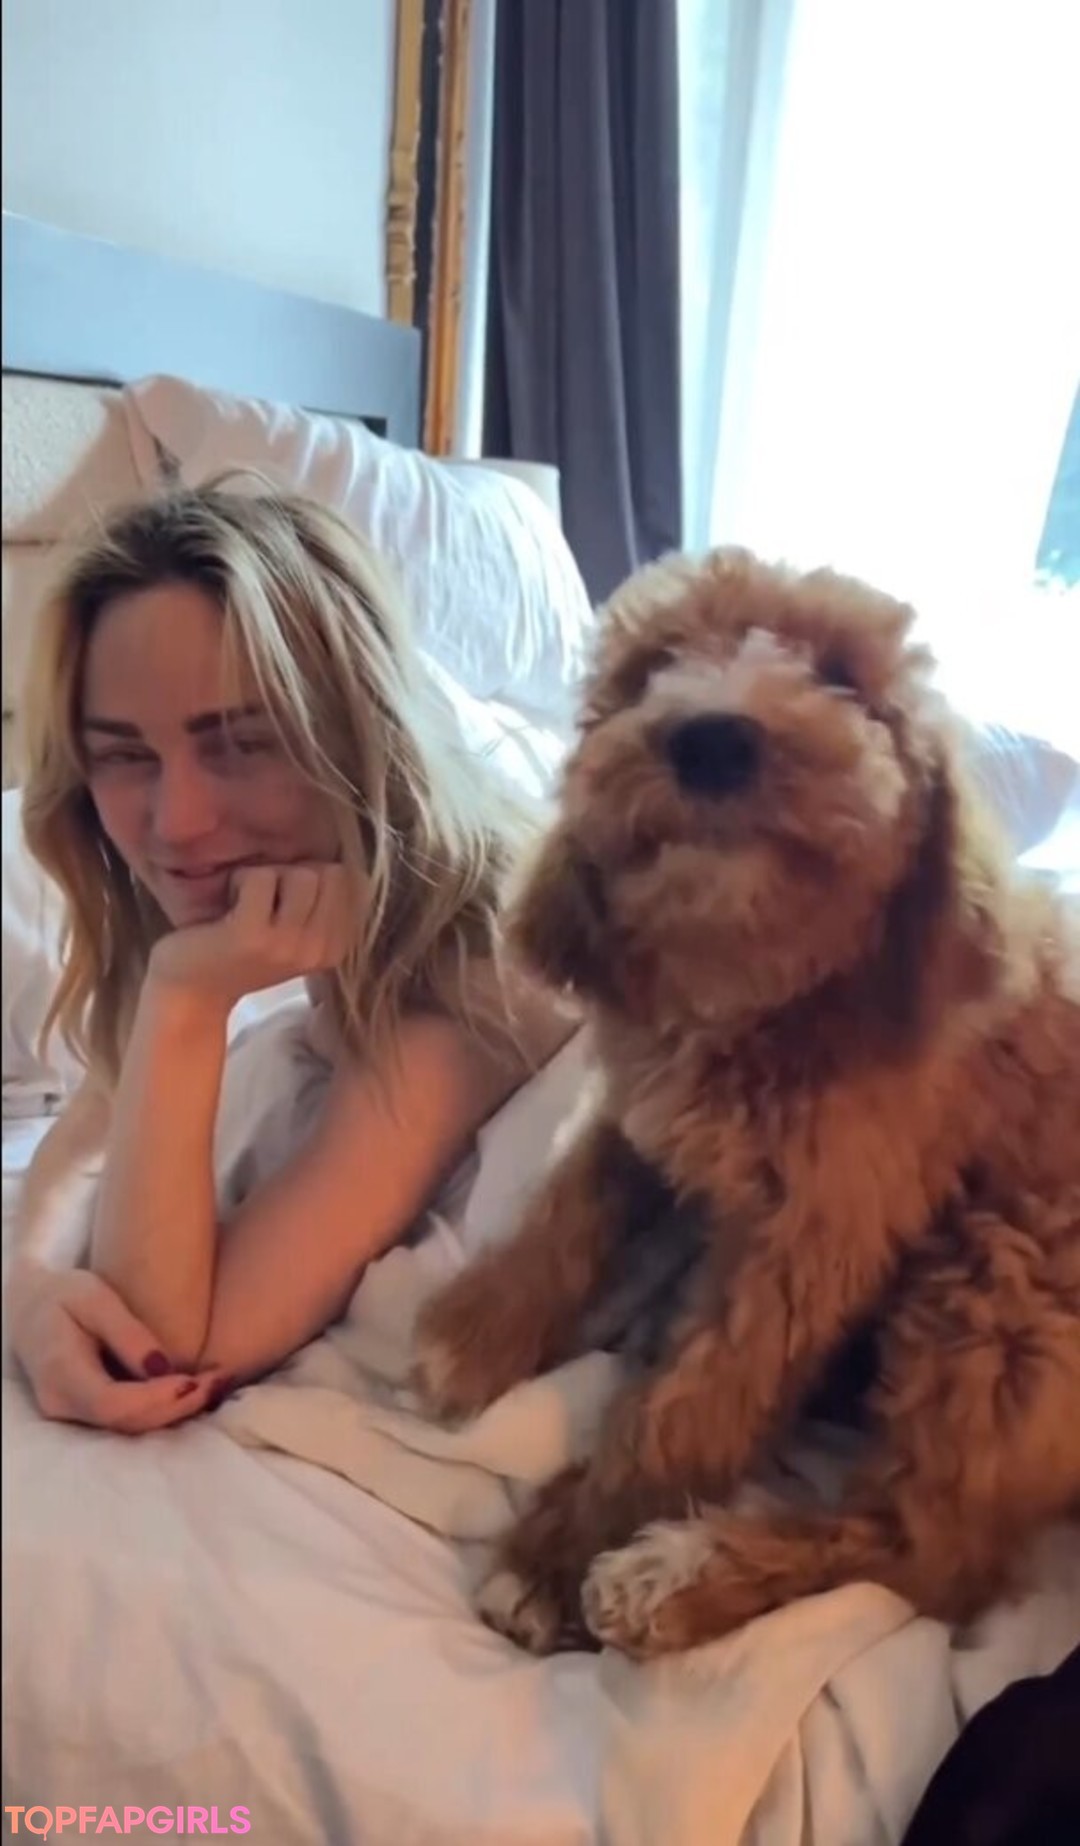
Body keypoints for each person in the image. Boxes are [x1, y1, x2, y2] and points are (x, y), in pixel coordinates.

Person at [7, 479, 571, 1433]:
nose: (179, 823)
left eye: (241, 745)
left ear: (354, 735)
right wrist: (27, 1283)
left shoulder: (472, 975)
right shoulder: (280, 913)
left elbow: (166, 1342)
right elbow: (93, 1117)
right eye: (125, 756)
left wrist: (186, 999)